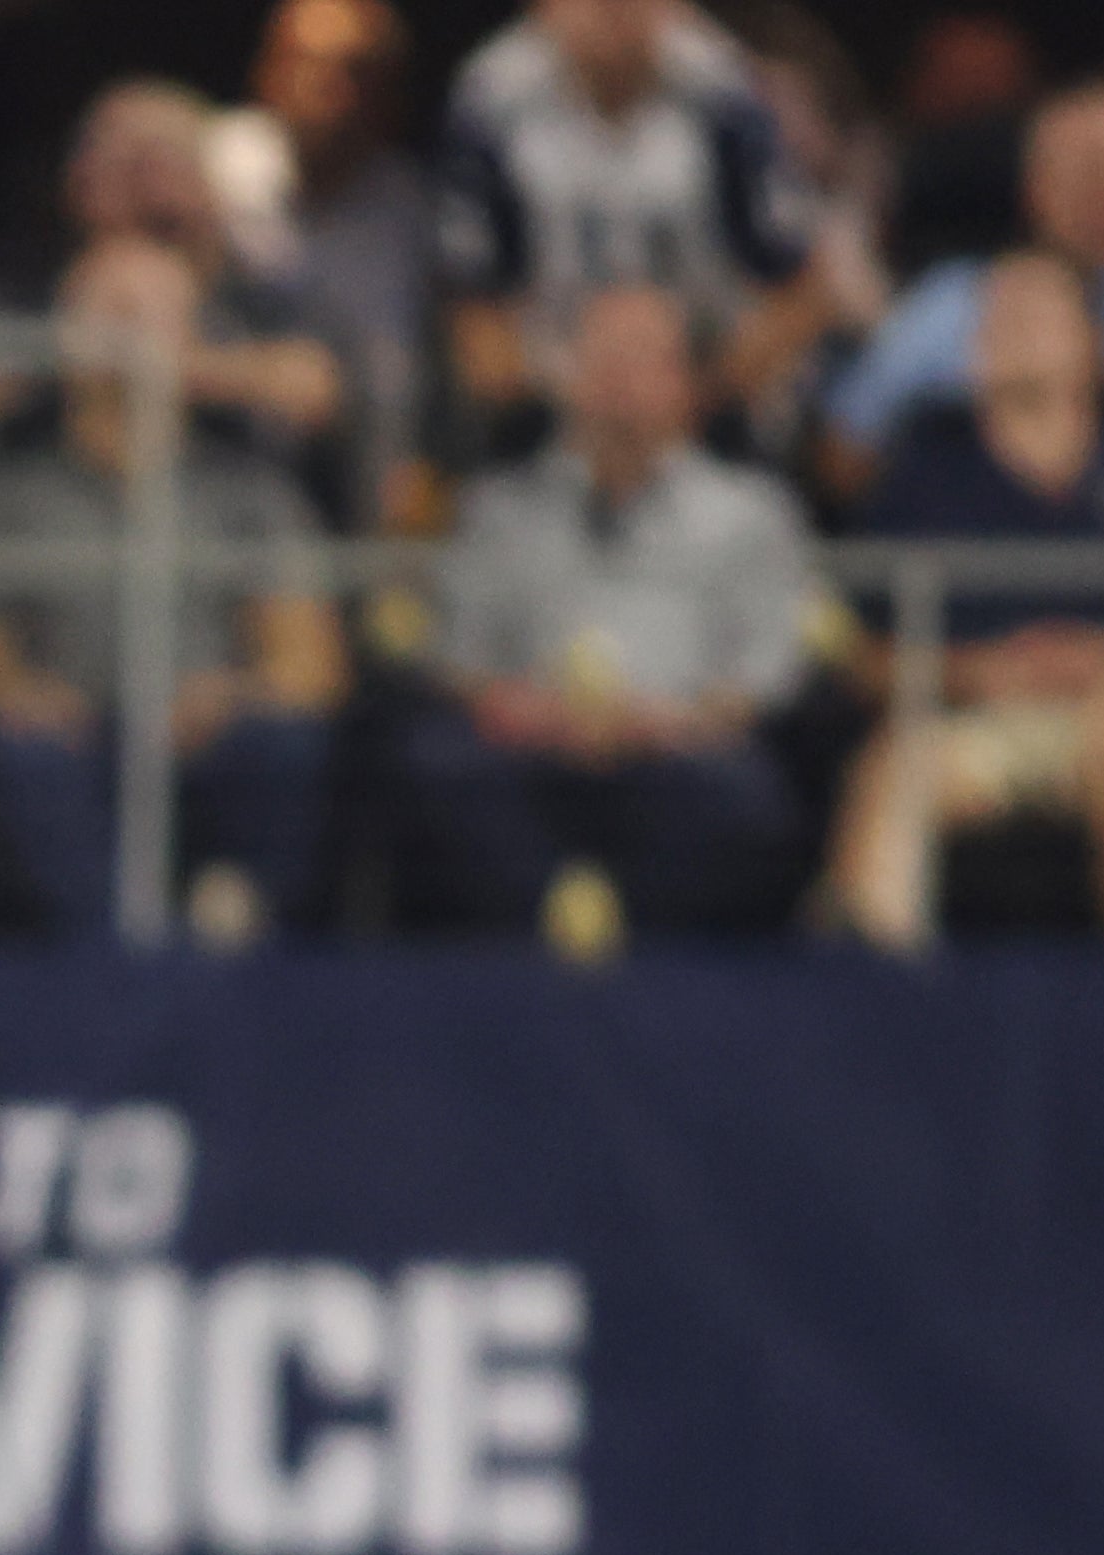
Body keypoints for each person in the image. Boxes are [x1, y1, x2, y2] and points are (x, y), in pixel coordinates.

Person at [0, 239, 343, 945]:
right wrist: (16, 691)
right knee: (23, 754)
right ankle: (116, 970)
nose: (132, 336)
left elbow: (312, 665)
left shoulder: (246, 489)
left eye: (155, 314)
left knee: (283, 742)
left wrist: (232, 695)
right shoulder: (8, 491)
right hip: (75, 732)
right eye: (115, 312)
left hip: (211, 730)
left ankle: (243, 953)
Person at [830, 251, 1104, 952]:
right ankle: (886, 1015)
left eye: (1034, 315)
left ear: (1092, 343)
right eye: (994, 318)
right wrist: (981, 672)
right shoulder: (923, 469)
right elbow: (863, 656)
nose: (1007, 331)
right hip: (978, 723)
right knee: (893, 773)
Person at [406, 281, 816, 940]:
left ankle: (648, 984)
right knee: (439, 768)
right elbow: (458, 661)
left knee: (747, 798)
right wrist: (527, 711)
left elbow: (767, 672)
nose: (620, 382)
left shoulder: (752, 514)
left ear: (685, 381)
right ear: (566, 376)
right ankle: (538, 965)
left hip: (678, 750)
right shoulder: (498, 510)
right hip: (531, 746)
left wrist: (672, 721)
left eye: (643, 360)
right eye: (603, 359)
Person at [821, 85, 1104, 484]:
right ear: (1032, 190)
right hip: (971, 540)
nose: (1096, 192)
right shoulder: (951, 300)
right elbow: (844, 452)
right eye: (1075, 170)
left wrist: (1045, 363)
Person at [441, 0, 830, 437]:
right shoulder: (492, 96)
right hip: (548, 415)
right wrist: (564, 415)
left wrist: (698, 401)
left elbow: (803, 289)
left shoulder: (724, 91)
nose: (614, 9)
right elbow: (469, 300)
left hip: (707, 411)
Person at [208, 0, 435, 504]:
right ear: (265, 71)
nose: (324, 86)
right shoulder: (219, 173)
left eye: (352, 69)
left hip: (360, 475)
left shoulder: (403, 207)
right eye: (303, 62)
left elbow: (407, 370)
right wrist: (258, 373)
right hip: (228, 463)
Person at [67, 78, 346, 458]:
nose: (155, 188)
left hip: (240, 494)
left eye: (168, 159)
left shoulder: (256, 283)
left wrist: (194, 367)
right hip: (91, 501)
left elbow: (315, 387)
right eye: (129, 166)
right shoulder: (92, 277)